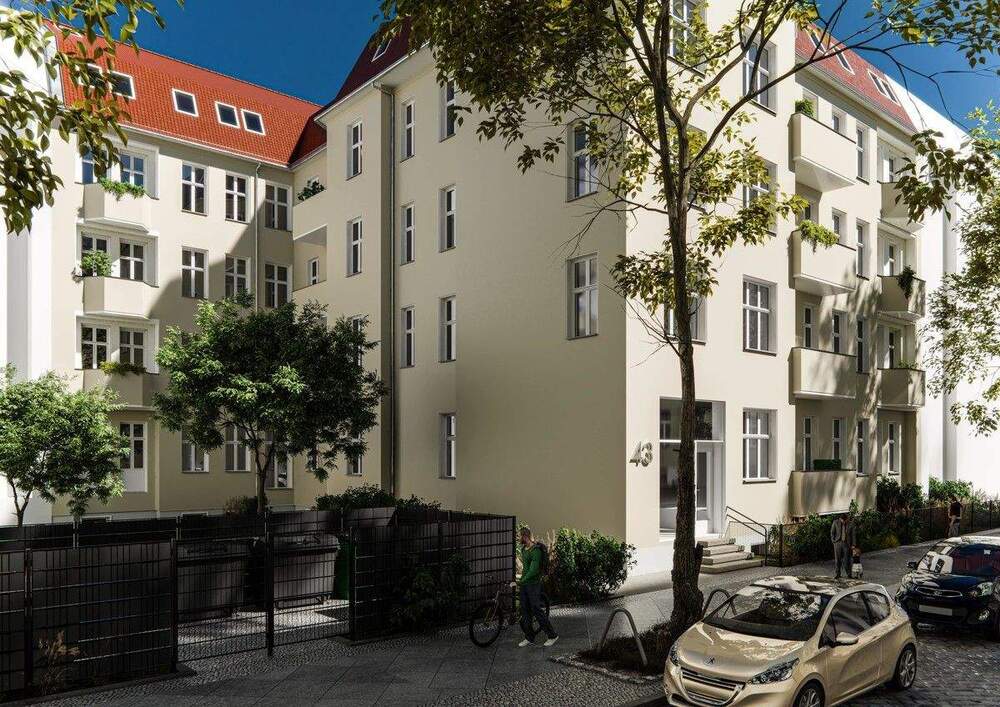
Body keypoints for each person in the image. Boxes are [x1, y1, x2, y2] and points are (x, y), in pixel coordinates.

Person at [513, 526, 558, 648]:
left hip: (533, 584)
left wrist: (520, 582)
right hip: (525, 585)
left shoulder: (536, 551)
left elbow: (533, 571)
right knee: (525, 611)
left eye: (519, 536)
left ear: (525, 536)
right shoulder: (524, 549)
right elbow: (525, 569)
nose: (518, 538)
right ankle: (529, 637)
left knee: (536, 610)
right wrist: (521, 581)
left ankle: (552, 635)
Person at [830, 512, 856, 579]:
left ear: (847, 519)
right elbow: (832, 532)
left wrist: (853, 544)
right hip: (837, 543)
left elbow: (853, 535)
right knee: (837, 560)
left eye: (845, 520)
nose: (844, 522)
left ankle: (849, 574)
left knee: (847, 560)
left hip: (847, 544)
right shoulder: (835, 522)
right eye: (842, 520)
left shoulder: (851, 524)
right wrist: (833, 541)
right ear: (840, 519)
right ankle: (838, 574)